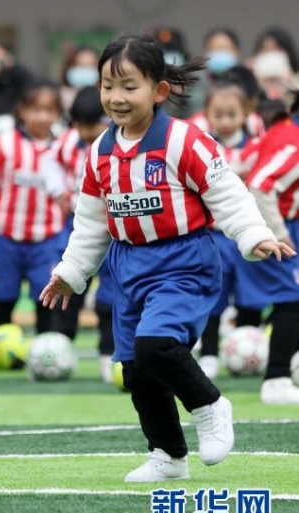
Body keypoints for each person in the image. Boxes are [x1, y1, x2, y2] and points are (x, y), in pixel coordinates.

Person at [40, 34, 294, 482]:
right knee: (136, 370)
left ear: (159, 90)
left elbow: (228, 193)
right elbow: (91, 223)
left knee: (156, 346)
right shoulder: (99, 152)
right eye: (107, 85)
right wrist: (71, 272)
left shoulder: (184, 141)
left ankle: (211, 405)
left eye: (129, 86)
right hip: (127, 267)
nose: (116, 97)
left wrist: (254, 235)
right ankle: (168, 456)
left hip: (183, 262)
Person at [0, 79, 64, 370]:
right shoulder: (6, 144)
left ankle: (45, 354)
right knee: (4, 297)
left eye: (49, 110)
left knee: (45, 297)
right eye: (35, 109)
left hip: (47, 238)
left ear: (57, 114)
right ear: (22, 111)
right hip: (8, 238)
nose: (42, 117)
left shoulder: (63, 147)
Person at [42, 86, 116, 383]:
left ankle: (109, 355)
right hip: (75, 224)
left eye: (92, 125)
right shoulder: (68, 143)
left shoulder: (117, 144)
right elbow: (49, 162)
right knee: (65, 282)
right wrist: (58, 189)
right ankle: (60, 349)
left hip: (112, 230)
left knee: (110, 296)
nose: (85, 132)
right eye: (80, 125)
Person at [197, 82, 263, 380]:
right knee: (213, 295)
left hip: (247, 235)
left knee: (251, 296)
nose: (224, 121)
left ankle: (251, 348)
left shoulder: (257, 147)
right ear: (208, 115)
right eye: (218, 115)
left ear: (246, 114)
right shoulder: (203, 147)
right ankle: (209, 352)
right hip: (215, 237)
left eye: (231, 114)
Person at [237, 92, 299, 404]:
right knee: (292, 299)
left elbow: (243, 164)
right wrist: (279, 232)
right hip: (280, 228)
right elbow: (260, 184)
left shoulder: (279, 131)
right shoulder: (294, 139)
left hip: (272, 224)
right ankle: (276, 378)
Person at [59, 45, 100, 116]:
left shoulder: (104, 95)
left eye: (90, 66)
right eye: (80, 65)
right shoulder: (59, 96)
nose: (85, 71)